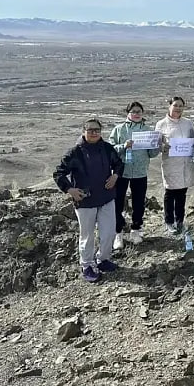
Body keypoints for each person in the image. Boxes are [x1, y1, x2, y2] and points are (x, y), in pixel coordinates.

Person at [53, 118, 124, 283]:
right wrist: (70, 189)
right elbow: (59, 173)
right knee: (87, 236)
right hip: (85, 201)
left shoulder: (107, 148)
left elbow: (119, 164)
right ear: (83, 131)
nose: (94, 133)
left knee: (108, 233)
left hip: (106, 198)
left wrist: (115, 175)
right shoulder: (74, 152)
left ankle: (103, 259)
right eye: (90, 130)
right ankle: (87, 265)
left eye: (97, 130)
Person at [107, 102, 160, 248]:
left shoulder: (147, 130)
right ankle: (118, 232)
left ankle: (136, 228)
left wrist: (157, 146)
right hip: (121, 173)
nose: (136, 114)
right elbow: (110, 151)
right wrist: (123, 146)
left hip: (140, 172)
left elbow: (152, 153)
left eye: (139, 111)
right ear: (128, 113)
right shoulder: (118, 130)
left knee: (138, 202)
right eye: (133, 111)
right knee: (118, 202)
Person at [155, 97, 194, 235]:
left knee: (182, 193)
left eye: (181, 106)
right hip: (170, 163)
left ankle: (180, 221)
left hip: (185, 163)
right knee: (170, 192)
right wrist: (163, 146)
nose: (178, 108)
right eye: (175, 105)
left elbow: (193, 141)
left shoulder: (188, 123)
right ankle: (169, 222)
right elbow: (156, 145)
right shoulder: (161, 124)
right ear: (169, 106)